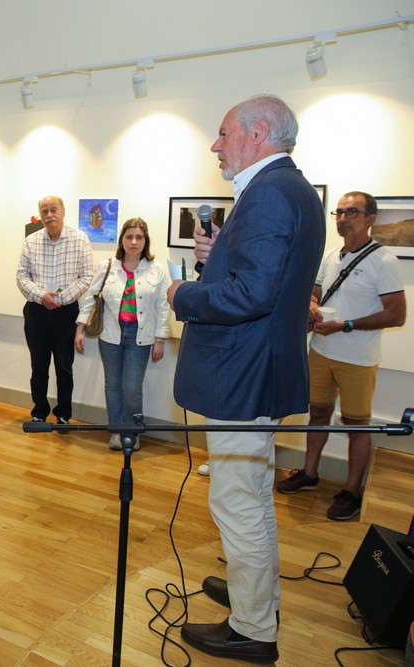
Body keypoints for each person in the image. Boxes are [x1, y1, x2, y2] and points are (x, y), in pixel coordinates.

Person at [167, 95, 325, 663]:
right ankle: (256, 596)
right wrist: (215, 259)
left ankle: (253, 628)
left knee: (237, 500)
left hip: (242, 373)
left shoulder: (268, 194)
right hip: (256, 368)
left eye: (223, 132)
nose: (215, 145)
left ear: (258, 133)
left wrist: (185, 293)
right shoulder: (287, 189)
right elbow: (262, 279)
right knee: (251, 496)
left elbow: (253, 295)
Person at [276, 191, 406, 520]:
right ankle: (309, 473)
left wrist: (345, 325)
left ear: (370, 219)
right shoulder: (332, 255)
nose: (343, 219)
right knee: (318, 413)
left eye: (352, 212)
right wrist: (312, 306)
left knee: (357, 424)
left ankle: (351, 490)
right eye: (339, 212)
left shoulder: (384, 261)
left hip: (358, 358)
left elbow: (396, 315)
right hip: (321, 350)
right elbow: (316, 293)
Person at [75, 217, 170, 450]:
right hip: (111, 334)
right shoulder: (108, 266)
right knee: (113, 385)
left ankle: (133, 432)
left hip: (141, 335)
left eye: (139, 237)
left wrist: (159, 339)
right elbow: (91, 299)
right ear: (122, 240)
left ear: (145, 240)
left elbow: (163, 306)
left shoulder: (156, 270)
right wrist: (79, 329)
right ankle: (117, 431)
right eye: (129, 237)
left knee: (132, 388)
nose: (134, 242)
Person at [15, 195, 93, 427]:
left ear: (63, 212)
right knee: (38, 367)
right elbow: (21, 276)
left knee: (64, 367)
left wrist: (61, 299)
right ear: (41, 215)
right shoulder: (31, 241)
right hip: (36, 312)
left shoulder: (80, 239)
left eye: (53, 209)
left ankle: (63, 414)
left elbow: (87, 276)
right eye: (45, 211)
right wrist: (42, 297)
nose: (49, 215)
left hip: (66, 314)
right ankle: (39, 411)